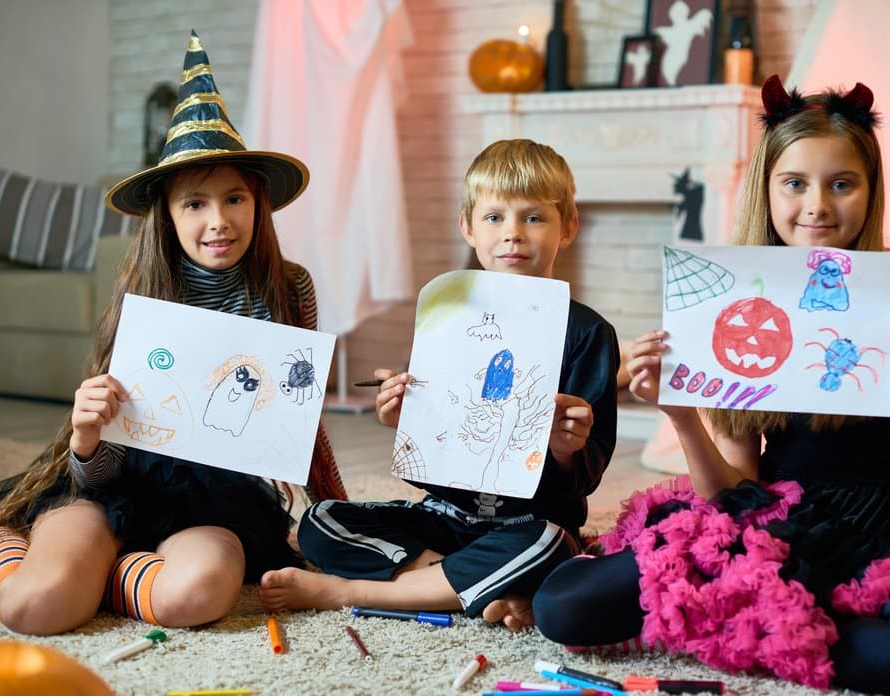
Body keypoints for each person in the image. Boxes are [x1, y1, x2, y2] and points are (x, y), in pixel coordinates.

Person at [532, 76, 890, 696]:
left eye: (841, 184)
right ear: (768, 189)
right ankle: (783, 623)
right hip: (776, 528)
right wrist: (683, 415)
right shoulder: (744, 300)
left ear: (871, 189)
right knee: (562, 607)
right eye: (795, 183)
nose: (817, 206)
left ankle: (761, 626)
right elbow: (730, 493)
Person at [0, 31, 345, 636]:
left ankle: (105, 571)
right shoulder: (143, 294)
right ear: (167, 215)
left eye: (234, 198)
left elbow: (293, 429)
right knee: (36, 607)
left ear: (258, 203)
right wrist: (87, 437)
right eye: (195, 204)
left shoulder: (290, 288)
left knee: (197, 595)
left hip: (216, 501)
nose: (219, 221)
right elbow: (100, 466)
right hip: (112, 486)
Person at [259, 139, 620, 631]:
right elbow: (432, 465)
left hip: (528, 524)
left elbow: (585, 478)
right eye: (494, 217)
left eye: (534, 217)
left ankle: (353, 592)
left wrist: (564, 451)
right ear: (467, 227)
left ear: (568, 227)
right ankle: (473, 584)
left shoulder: (589, 334)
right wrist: (406, 422)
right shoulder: (447, 317)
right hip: (445, 518)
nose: (512, 233)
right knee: (320, 521)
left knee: (551, 545)